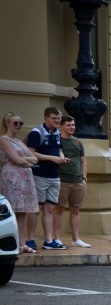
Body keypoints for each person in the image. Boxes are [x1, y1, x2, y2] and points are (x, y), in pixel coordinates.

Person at [26, 106, 70, 250]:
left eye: (59, 118)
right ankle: (30, 239)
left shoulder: (57, 133)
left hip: (54, 175)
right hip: (39, 175)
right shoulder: (37, 132)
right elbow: (30, 153)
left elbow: (60, 150)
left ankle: (48, 240)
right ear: (46, 118)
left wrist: (61, 158)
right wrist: (52, 158)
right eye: (54, 118)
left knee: (50, 208)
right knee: (35, 208)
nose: (57, 121)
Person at [1, 112, 40, 253]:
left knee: (23, 211)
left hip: (25, 177)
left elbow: (34, 159)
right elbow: (17, 160)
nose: (18, 125)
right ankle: (14, 243)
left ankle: (22, 244)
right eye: (15, 123)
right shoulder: (4, 140)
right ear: (7, 123)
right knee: (13, 210)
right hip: (12, 177)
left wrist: (24, 159)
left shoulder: (19, 142)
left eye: (20, 123)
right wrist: (24, 159)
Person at [54, 115, 91, 247]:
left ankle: (76, 239)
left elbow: (83, 161)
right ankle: (57, 238)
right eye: (69, 125)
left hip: (78, 181)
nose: (72, 127)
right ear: (62, 126)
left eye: (73, 125)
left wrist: (84, 177)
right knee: (58, 209)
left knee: (75, 210)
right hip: (62, 180)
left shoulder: (78, 142)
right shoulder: (56, 140)